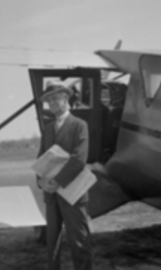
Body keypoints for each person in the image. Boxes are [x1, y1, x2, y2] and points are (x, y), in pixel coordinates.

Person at [36, 80, 93, 270]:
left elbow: (79, 159)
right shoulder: (47, 129)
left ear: (66, 99)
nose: (51, 103)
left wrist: (56, 181)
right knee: (52, 243)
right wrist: (41, 181)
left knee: (79, 240)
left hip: (73, 194)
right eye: (48, 101)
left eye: (55, 99)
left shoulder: (79, 125)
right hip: (51, 195)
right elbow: (41, 160)